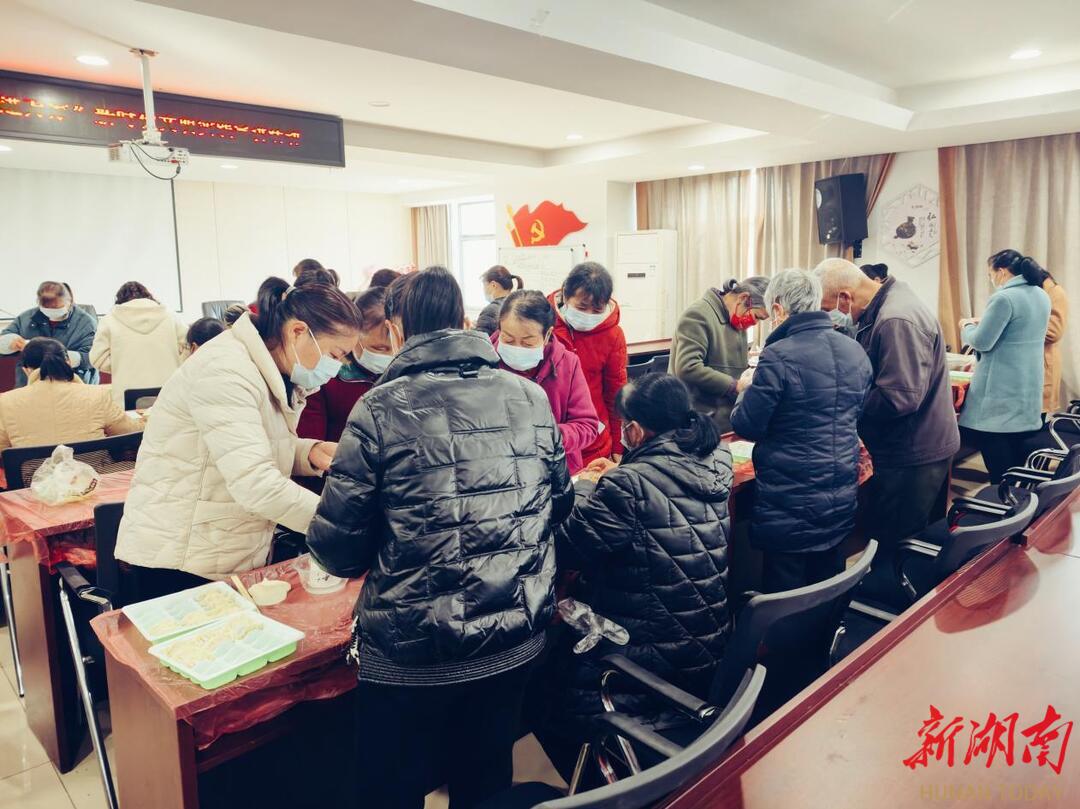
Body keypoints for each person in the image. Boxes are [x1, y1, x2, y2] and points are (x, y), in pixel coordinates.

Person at [306, 266, 574, 809]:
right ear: (466, 322)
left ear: (398, 329)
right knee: (485, 780)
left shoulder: (379, 408)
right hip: (513, 636)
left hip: (414, 652)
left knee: (390, 789)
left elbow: (338, 551)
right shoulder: (529, 397)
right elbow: (559, 504)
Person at [114, 275, 361, 603]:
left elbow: (245, 447)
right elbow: (255, 482)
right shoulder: (225, 370)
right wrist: (343, 525)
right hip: (180, 557)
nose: (338, 367)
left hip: (220, 547)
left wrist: (309, 452)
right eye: (335, 354)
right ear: (298, 332)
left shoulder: (267, 369)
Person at [537, 373, 732, 780]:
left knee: (541, 694)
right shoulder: (715, 459)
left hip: (646, 659)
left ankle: (599, 785)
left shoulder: (626, 485)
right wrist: (623, 472)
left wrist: (587, 486)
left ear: (636, 430)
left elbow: (567, 546)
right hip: (706, 647)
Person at [813, 258, 959, 583]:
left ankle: (888, 609)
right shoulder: (889, 304)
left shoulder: (896, 319)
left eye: (826, 308)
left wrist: (843, 398)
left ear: (845, 298)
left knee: (894, 547)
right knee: (911, 540)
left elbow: (899, 397)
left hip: (912, 452)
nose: (829, 317)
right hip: (919, 442)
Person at [730, 270, 873, 592]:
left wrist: (746, 388)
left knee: (787, 595)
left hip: (789, 501)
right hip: (839, 492)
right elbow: (855, 411)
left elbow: (747, 425)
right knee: (828, 585)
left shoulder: (778, 355)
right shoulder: (853, 349)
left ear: (778, 309)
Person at [958, 251, 1051, 483]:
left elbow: (981, 341)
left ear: (1001, 271)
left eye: (990, 273)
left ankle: (1000, 498)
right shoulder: (1041, 295)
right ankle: (1019, 500)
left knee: (998, 460)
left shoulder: (1004, 298)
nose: (991, 278)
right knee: (1017, 464)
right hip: (1027, 386)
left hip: (1000, 391)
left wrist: (966, 326)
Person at [492, 290, 599, 475]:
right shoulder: (486, 364)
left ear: (548, 335)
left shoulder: (568, 363)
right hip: (503, 473)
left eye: (527, 343)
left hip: (556, 471)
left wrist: (544, 438)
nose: (517, 348)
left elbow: (587, 426)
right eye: (508, 339)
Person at [548, 262, 628, 464]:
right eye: (582, 307)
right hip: (550, 436)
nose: (589, 315)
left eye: (597, 309)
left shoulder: (613, 335)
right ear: (565, 296)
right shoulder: (544, 324)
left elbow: (615, 393)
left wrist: (617, 445)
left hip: (594, 439)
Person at [0, 338, 141, 450]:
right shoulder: (98, 395)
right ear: (68, 362)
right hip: (92, 475)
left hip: (33, 477)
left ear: (26, 370)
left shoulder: (5, 402)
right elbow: (131, 432)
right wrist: (147, 417)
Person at [670, 276, 770, 433]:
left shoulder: (736, 318)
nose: (754, 323)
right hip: (699, 421)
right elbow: (688, 367)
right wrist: (735, 385)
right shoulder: (698, 315)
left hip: (726, 418)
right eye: (756, 316)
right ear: (743, 298)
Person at [297, 286, 391, 444]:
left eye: (397, 347)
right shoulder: (324, 377)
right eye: (379, 349)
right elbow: (310, 443)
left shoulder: (405, 376)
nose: (390, 356)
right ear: (355, 338)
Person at [89, 282, 189, 407]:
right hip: (169, 387)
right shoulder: (171, 317)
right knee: (168, 418)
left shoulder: (109, 320)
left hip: (127, 392)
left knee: (132, 420)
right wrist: (176, 363)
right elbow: (190, 347)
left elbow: (97, 358)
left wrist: (119, 365)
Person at [0, 281, 99, 387]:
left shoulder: (86, 323)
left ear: (69, 301)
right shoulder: (26, 318)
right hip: (30, 385)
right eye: (47, 308)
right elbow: (4, 340)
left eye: (56, 308)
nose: (52, 311)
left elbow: (94, 357)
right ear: (39, 303)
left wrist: (61, 356)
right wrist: (9, 343)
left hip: (70, 386)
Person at [1040, 270, 1069, 415]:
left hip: (1045, 360)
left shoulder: (1055, 293)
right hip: (1034, 362)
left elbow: (1053, 333)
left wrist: (1020, 329)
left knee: (1037, 417)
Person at [476, 265, 524, 335]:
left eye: (484, 285)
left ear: (493, 285)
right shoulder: (518, 305)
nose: (484, 290)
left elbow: (479, 340)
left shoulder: (490, 310)